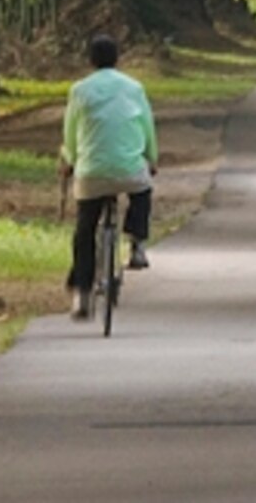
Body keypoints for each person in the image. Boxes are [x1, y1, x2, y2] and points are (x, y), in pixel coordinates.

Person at [59, 32, 158, 318]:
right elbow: (147, 128)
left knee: (85, 229)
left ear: (90, 60)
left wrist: (71, 160)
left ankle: (82, 294)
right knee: (142, 190)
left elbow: (70, 132)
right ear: (118, 59)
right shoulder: (134, 88)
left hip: (91, 172)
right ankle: (137, 242)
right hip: (130, 169)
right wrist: (152, 159)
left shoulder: (79, 90)